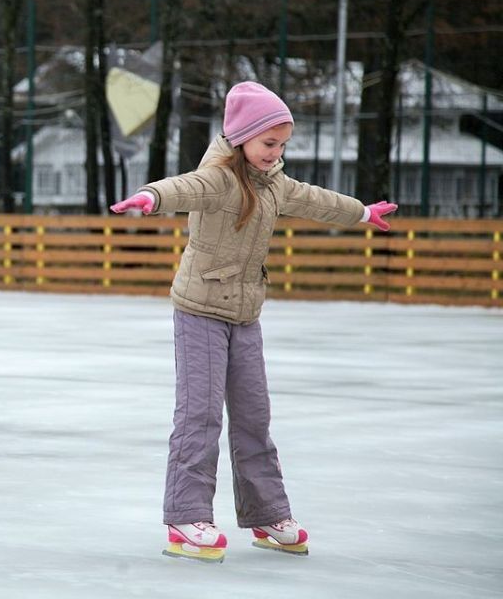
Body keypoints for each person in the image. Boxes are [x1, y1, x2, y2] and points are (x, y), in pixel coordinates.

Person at [110, 81, 397, 563]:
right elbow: (184, 187)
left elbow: (315, 200)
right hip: (200, 311)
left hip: (245, 316)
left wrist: (361, 212)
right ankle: (186, 516)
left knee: (254, 418)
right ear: (243, 136)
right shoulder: (220, 178)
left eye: (282, 145)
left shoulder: (274, 183)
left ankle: (267, 514)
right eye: (269, 143)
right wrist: (149, 198)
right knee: (199, 415)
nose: (275, 153)